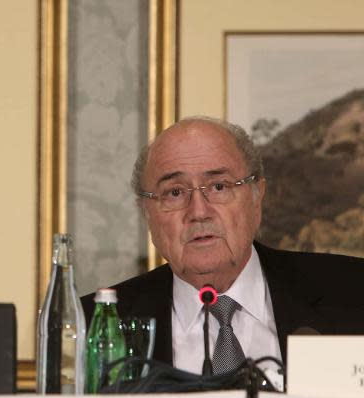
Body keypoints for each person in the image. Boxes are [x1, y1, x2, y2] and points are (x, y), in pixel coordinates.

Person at [81, 116, 364, 378]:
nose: (199, 211)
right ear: (146, 212)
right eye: (175, 192)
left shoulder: (353, 293)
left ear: (257, 196)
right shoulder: (91, 326)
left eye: (218, 187)